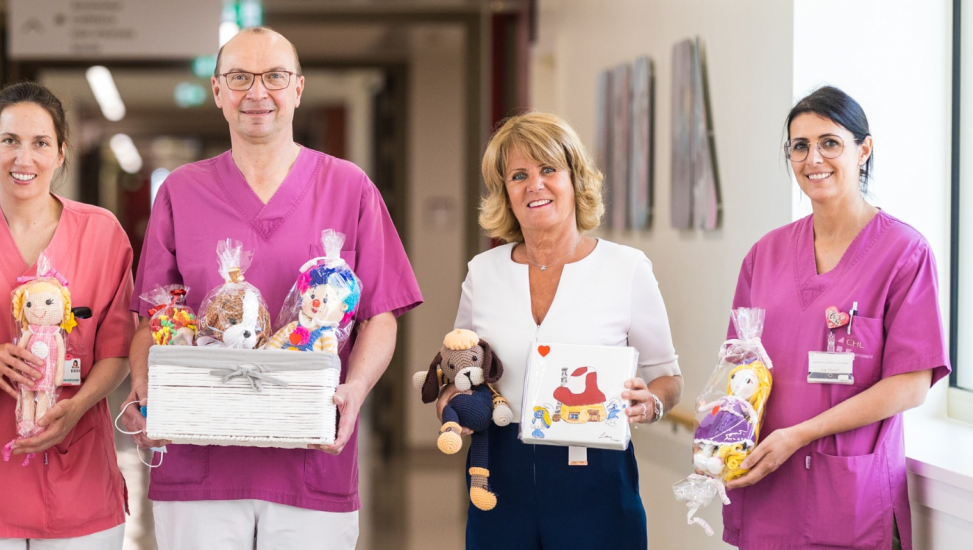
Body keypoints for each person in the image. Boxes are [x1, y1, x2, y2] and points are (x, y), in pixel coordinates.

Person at [123, 27, 423, 549]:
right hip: (200, 462)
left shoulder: (349, 188)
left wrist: (355, 392)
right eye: (239, 77)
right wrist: (146, 389)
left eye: (275, 77)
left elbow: (381, 313)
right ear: (218, 91)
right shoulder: (181, 192)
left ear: (298, 88)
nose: (257, 93)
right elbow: (154, 317)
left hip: (310, 459)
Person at [722, 86, 947, 550]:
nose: (813, 158)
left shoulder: (905, 253)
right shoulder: (765, 255)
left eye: (829, 142)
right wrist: (719, 437)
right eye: (799, 146)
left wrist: (799, 435)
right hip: (767, 480)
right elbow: (738, 368)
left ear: (864, 150)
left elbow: (910, 384)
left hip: (850, 494)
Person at [449, 111, 682, 549]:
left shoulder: (626, 268)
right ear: (506, 193)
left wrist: (650, 403)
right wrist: (452, 401)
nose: (534, 185)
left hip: (595, 478)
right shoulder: (483, 272)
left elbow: (668, 379)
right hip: (499, 475)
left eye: (548, 169)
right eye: (518, 175)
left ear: (575, 179)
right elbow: (460, 367)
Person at [0, 83, 135, 549]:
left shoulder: (102, 233)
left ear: (60, 154)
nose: (24, 158)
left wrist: (76, 407)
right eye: (10, 141)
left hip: (79, 474)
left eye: (40, 143)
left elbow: (117, 350)